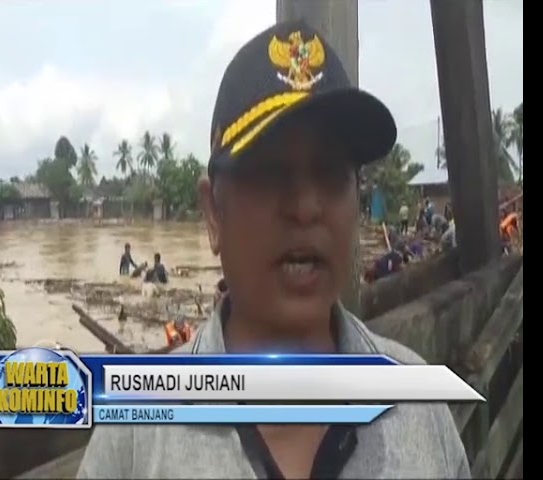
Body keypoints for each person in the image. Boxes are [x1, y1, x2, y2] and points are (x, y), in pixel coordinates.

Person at [78, 20, 470, 479]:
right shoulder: (135, 436)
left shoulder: (420, 411)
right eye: (268, 174)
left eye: (330, 173)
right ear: (213, 214)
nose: (305, 208)